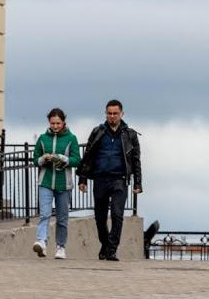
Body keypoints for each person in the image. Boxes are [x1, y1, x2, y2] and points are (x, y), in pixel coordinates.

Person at [77, 99, 142, 261]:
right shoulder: (98, 132)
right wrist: (83, 179)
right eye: (109, 113)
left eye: (115, 113)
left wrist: (138, 183)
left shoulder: (130, 134)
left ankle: (112, 249)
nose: (112, 116)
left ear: (122, 114)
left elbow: (135, 160)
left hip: (119, 179)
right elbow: (88, 156)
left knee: (117, 214)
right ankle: (105, 244)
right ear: (105, 114)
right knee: (100, 217)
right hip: (100, 178)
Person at [32, 108, 80, 260]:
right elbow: (35, 158)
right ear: (49, 122)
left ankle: (60, 246)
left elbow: (77, 160)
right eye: (53, 123)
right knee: (44, 214)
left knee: (62, 218)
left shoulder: (71, 138)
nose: (55, 126)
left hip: (63, 184)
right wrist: (42, 159)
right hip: (45, 181)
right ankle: (41, 241)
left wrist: (63, 158)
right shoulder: (42, 138)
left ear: (63, 122)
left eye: (58, 123)